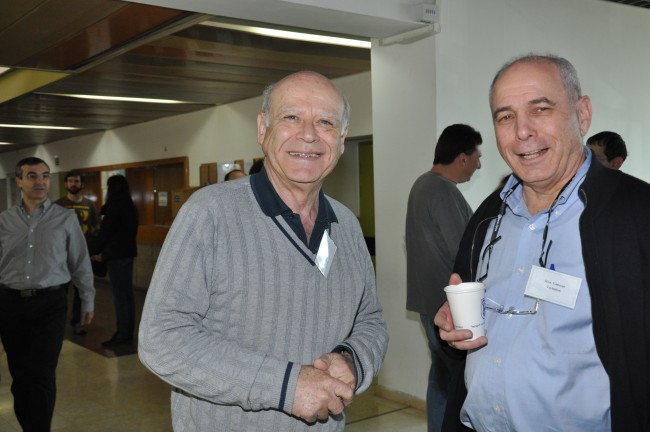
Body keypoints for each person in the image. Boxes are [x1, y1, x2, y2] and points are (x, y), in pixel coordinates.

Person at [138, 71, 388, 431]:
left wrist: (352, 360)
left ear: (342, 138)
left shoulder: (346, 225)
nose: (309, 134)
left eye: (326, 122)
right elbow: (161, 338)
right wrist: (286, 386)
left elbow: (371, 320)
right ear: (262, 128)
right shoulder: (209, 213)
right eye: (292, 117)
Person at [434, 54, 650, 431]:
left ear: (582, 115)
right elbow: (465, 339)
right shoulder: (487, 218)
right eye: (506, 117)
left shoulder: (638, 214)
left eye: (541, 109)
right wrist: (451, 334)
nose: (522, 131)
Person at [0, 157, 95, 431]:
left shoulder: (65, 219)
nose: (40, 181)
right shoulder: (4, 221)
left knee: (42, 373)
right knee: (20, 375)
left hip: (50, 305)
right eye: (32, 176)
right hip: (10, 304)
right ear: (19, 181)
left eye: (45, 175)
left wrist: (87, 299)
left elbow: (80, 262)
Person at [405, 123, 482, 432]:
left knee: (440, 378)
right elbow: (463, 250)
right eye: (477, 157)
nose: (479, 165)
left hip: (430, 301)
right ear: (462, 158)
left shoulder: (422, 184)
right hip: (449, 308)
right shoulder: (442, 190)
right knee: (455, 382)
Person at [90, 174, 138, 348]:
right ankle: (128, 332)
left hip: (116, 256)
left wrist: (94, 250)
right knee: (127, 295)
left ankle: (122, 334)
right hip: (128, 254)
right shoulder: (130, 206)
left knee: (120, 297)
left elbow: (106, 232)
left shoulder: (114, 207)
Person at [55, 169, 100, 335]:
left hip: (83, 254)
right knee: (60, 291)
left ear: (82, 184)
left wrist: (95, 249)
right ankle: (57, 322)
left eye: (76, 181)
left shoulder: (89, 205)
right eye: (70, 181)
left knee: (82, 290)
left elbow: (96, 227)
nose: (73, 184)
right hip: (61, 256)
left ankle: (78, 322)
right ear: (66, 184)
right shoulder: (58, 205)